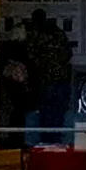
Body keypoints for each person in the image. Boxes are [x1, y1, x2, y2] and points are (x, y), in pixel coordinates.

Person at [23, 8, 73, 140]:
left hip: (46, 81)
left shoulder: (35, 34)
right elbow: (69, 53)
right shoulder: (58, 32)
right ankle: (56, 143)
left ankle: (47, 144)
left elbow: (31, 58)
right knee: (59, 114)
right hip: (63, 79)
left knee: (45, 115)